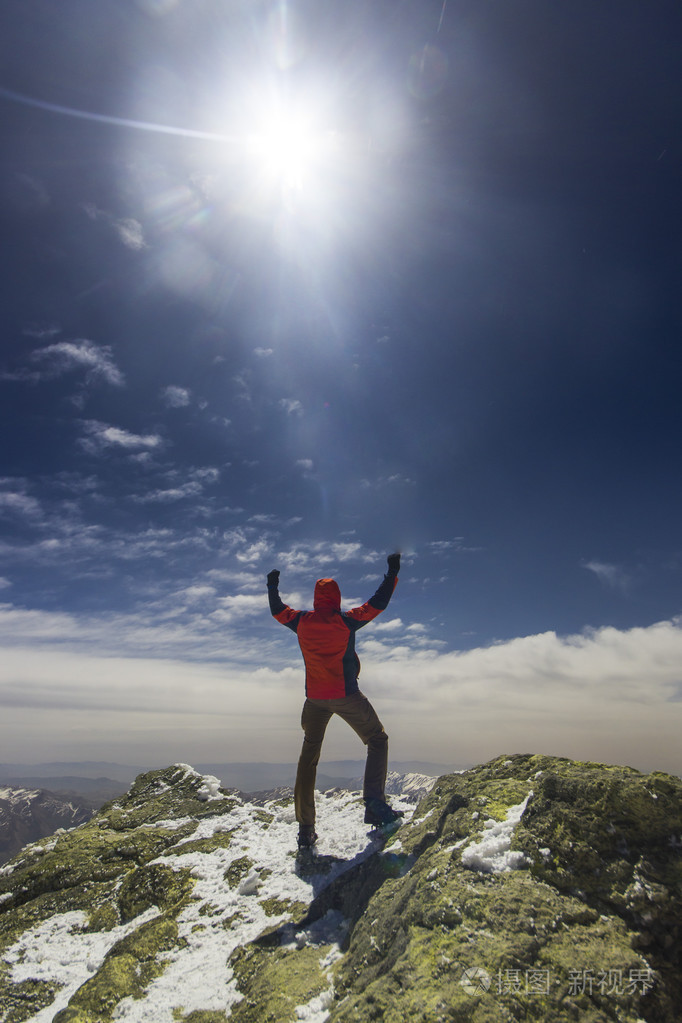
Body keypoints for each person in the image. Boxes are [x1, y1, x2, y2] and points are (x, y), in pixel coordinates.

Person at [267, 553, 404, 849]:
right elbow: (377, 604)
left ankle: (305, 829)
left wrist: (272, 586)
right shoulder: (346, 621)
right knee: (377, 739)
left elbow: (278, 611)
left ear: (316, 598)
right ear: (337, 598)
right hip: (345, 696)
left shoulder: (301, 621)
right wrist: (392, 572)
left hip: (314, 701)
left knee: (309, 757)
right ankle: (375, 805)